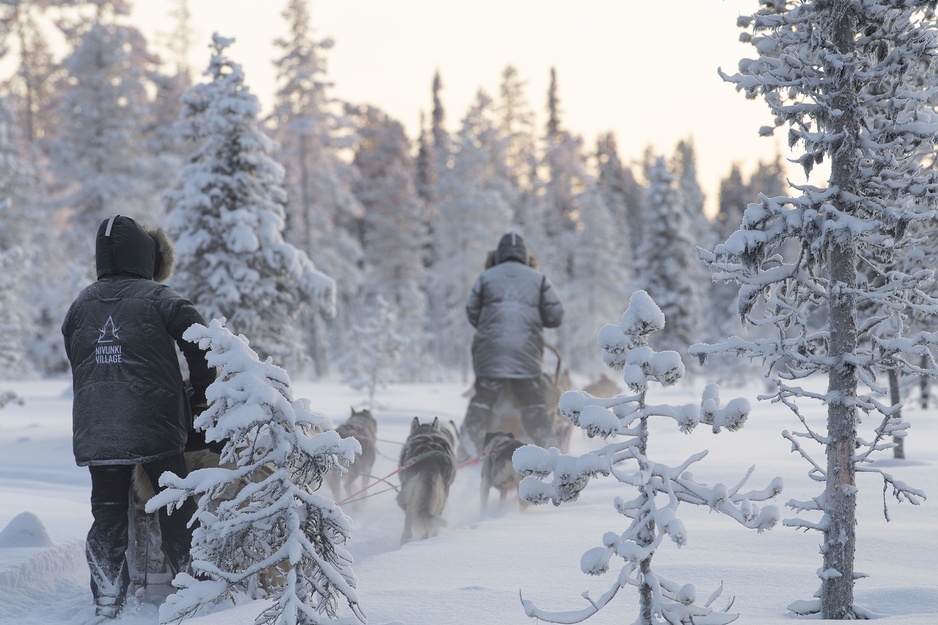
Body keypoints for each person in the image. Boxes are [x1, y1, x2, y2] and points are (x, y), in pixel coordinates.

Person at [62, 215, 216, 619]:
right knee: (175, 505)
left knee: (107, 513)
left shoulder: (80, 303)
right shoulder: (161, 298)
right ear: (146, 256)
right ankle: (191, 587)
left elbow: (76, 356)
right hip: (156, 424)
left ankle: (107, 598)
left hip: (97, 428)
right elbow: (202, 344)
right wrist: (200, 396)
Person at [460, 232, 564, 459]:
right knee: (532, 401)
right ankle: (547, 449)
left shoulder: (486, 278)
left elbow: (472, 312)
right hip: (525, 355)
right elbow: (555, 316)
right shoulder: (538, 279)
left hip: (490, 354)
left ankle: (467, 452)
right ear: (525, 255)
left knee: (482, 399)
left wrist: (490, 325)